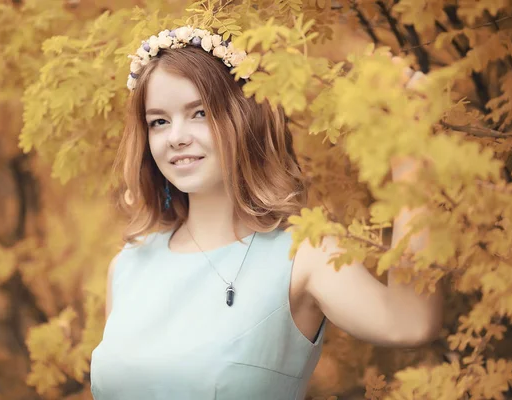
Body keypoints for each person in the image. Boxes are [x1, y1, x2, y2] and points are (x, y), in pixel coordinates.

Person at [90, 25, 443, 400]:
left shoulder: (303, 255)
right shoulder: (127, 266)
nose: (175, 136)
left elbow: (411, 322)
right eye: (159, 121)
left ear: (246, 118)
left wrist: (412, 152)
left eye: (199, 113)